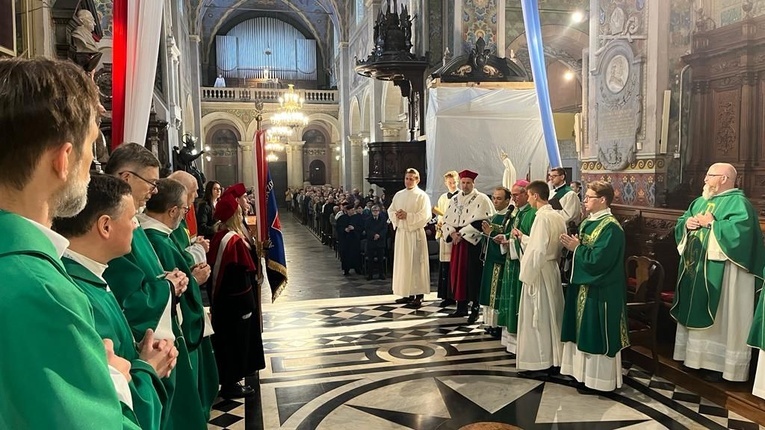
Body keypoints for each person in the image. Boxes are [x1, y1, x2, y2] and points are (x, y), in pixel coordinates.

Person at [0, 57, 140, 428]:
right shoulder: (38, 289)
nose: (94, 159)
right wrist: (113, 381)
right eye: (92, 144)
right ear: (63, 159)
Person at [53, 174, 177, 430]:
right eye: (131, 218)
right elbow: (106, 403)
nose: (135, 225)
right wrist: (148, 368)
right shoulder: (78, 294)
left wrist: (139, 350)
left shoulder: (90, 276)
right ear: (105, 226)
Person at [103, 142, 192, 427]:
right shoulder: (115, 229)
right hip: (145, 348)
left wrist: (166, 278)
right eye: (151, 182)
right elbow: (129, 298)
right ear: (127, 178)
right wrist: (168, 287)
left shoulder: (134, 223)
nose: (155, 191)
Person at [673, 163, 765, 383]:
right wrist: (687, 223)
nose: (704, 179)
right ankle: (692, 357)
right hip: (696, 270)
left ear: (724, 178)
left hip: (726, 275)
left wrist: (713, 225)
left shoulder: (739, 203)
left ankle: (720, 365)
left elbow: (741, 235)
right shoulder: (700, 201)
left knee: (723, 318)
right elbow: (681, 222)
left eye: (709, 175)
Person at [140, 178, 219, 418]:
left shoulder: (159, 237)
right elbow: (172, 282)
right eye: (185, 208)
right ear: (173, 210)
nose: (187, 213)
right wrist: (193, 282)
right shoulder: (157, 239)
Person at [559, 180, 629, 394]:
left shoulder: (611, 228)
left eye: (589, 197)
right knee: (582, 331)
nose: (584, 200)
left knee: (596, 333)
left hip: (602, 289)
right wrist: (576, 247)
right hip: (584, 286)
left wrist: (577, 248)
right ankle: (582, 375)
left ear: (603, 200)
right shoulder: (590, 222)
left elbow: (600, 260)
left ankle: (599, 381)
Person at [207, 194, 266, 398]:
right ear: (234, 215)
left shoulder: (221, 235)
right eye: (239, 211)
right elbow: (238, 278)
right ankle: (231, 384)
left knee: (230, 341)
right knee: (233, 343)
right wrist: (248, 305)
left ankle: (235, 376)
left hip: (225, 302)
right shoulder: (232, 242)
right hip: (235, 303)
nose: (243, 211)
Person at [514, 181, 567, 378]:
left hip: (538, 271)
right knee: (552, 315)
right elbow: (548, 244)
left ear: (535, 196)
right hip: (551, 268)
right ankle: (555, 358)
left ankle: (540, 361)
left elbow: (537, 251)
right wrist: (523, 238)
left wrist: (526, 276)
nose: (528, 199)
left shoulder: (541, 218)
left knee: (539, 317)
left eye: (528, 195)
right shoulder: (557, 216)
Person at [442, 169, 495, 323]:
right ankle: (461, 306)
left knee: (473, 275)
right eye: (463, 183)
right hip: (457, 244)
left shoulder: (482, 199)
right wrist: (452, 233)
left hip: (472, 243)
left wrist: (462, 233)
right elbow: (447, 219)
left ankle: (475, 308)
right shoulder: (455, 199)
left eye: (468, 183)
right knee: (458, 275)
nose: (465, 186)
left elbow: (483, 221)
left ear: (473, 183)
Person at [497, 180, 536, 355]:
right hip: (511, 262)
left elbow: (531, 240)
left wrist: (511, 241)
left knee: (518, 301)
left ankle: (520, 341)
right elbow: (513, 234)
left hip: (522, 265)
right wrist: (504, 238)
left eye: (516, 195)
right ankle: (510, 341)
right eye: (512, 195)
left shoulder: (532, 214)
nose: (513, 199)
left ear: (527, 194)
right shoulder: (518, 213)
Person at [388, 168, 432, 308]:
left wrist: (408, 216)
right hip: (402, 234)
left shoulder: (422, 196)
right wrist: (397, 215)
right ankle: (406, 293)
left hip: (415, 234)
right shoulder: (399, 195)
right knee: (404, 263)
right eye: (406, 178)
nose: (408, 181)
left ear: (417, 180)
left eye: (411, 179)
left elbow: (425, 215)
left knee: (416, 264)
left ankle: (418, 295)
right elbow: (391, 210)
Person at [478, 187, 513, 337]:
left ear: (507, 200)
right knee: (488, 293)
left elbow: (505, 239)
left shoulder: (509, 218)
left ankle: (498, 324)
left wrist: (491, 233)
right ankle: (490, 323)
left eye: (499, 198)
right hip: (490, 260)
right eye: (494, 198)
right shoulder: (493, 217)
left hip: (500, 262)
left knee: (496, 293)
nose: (495, 201)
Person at [435, 170, 460, 307]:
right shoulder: (443, 197)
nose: (452, 185)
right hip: (444, 233)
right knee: (445, 266)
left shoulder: (461, 196)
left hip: (455, 234)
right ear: (445, 183)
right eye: (449, 183)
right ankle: (446, 296)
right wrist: (439, 221)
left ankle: (456, 294)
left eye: (454, 182)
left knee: (455, 265)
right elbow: (440, 212)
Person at [336, 203, 363, 275]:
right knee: (345, 255)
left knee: (356, 254)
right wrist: (345, 229)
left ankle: (357, 268)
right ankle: (346, 269)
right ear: (347, 211)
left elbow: (361, 227)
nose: (352, 211)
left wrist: (354, 228)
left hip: (354, 239)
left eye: (353, 210)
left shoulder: (358, 217)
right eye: (350, 210)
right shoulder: (342, 218)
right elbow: (338, 228)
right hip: (345, 240)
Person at [364, 205, 388, 280]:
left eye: (377, 211)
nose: (375, 212)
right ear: (371, 212)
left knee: (380, 259)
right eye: (374, 211)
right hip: (371, 241)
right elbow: (367, 229)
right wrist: (374, 235)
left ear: (379, 211)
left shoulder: (383, 219)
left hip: (380, 241)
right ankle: (370, 274)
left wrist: (379, 235)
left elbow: (385, 229)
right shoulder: (368, 220)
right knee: (370, 260)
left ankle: (381, 274)